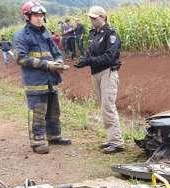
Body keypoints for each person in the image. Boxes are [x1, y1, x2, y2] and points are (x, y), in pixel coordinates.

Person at [13, 1, 71, 154]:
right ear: (27, 17)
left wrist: (58, 62)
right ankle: (38, 142)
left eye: (41, 15)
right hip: (35, 81)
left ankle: (54, 136)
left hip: (51, 79)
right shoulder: (21, 35)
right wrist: (47, 65)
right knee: (38, 111)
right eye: (36, 15)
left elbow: (56, 51)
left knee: (54, 110)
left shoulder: (46, 32)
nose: (39, 18)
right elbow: (21, 59)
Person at [74, 6, 124, 154]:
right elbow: (90, 52)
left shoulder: (111, 34)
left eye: (94, 18)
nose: (91, 20)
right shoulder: (94, 34)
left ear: (103, 17)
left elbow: (110, 56)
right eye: (90, 17)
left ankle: (117, 142)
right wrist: (83, 60)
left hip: (108, 73)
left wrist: (89, 61)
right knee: (103, 106)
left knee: (108, 106)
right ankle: (111, 139)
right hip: (96, 73)